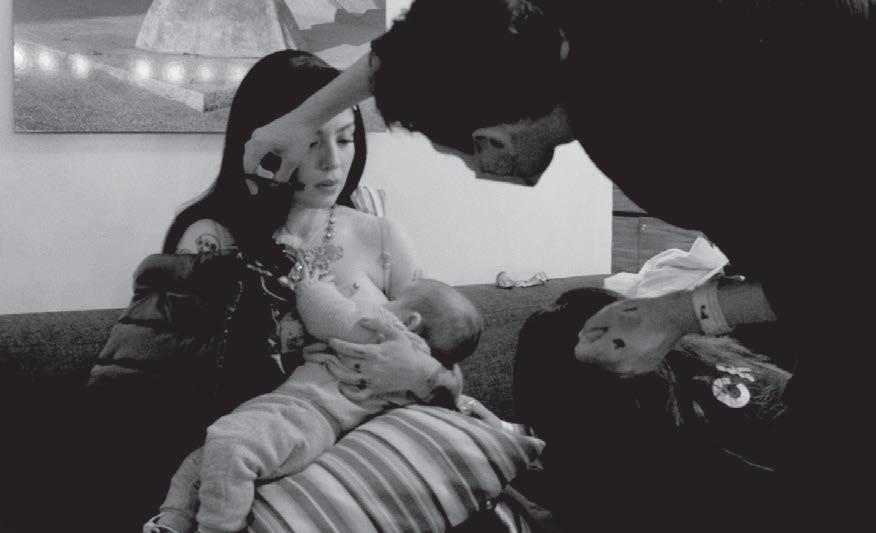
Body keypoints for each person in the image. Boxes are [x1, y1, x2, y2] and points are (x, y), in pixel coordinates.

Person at [239, 0, 872, 521]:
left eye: (463, 157)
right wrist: (301, 117)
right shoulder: (558, 24)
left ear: (492, 140)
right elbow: (407, 47)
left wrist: (680, 313)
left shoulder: (656, 141)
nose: (478, 172)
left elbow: (842, 276)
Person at [83, 49, 461, 532]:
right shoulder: (212, 238)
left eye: (346, 138)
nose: (332, 161)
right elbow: (174, 390)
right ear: (263, 145)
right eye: (312, 142)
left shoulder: (382, 236)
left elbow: (450, 361)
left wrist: (421, 371)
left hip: (369, 479)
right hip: (250, 477)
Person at [145, 271, 482, 533]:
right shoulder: (416, 360)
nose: (381, 301)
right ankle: (172, 523)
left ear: (410, 323)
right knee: (204, 460)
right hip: (291, 413)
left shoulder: (389, 335)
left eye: (392, 299)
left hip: (307, 417)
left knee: (230, 445)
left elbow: (327, 315)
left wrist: (311, 284)